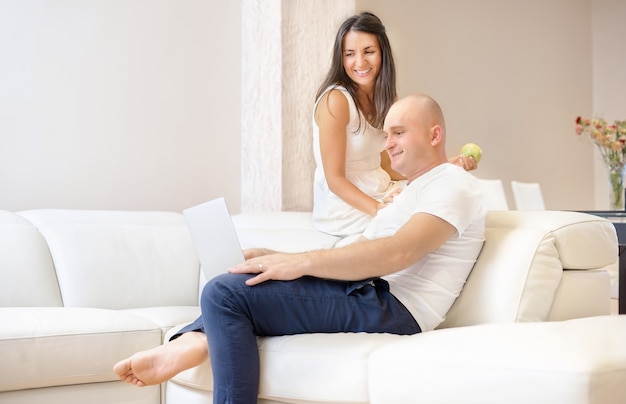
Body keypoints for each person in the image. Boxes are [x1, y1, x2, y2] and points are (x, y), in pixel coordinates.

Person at [114, 94, 486, 403]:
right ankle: (196, 340)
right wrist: (277, 256)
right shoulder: (411, 191)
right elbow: (365, 250)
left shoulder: (453, 184)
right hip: (366, 289)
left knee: (224, 295)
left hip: (392, 305)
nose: (388, 144)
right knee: (241, 281)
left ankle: (196, 340)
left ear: (435, 135)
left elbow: (397, 253)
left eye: (399, 133)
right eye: (387, 134)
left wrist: (300, 262)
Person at [312, 12, 477, 237]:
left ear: (383, 53)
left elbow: (388, 165)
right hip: (344, 208)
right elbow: (335, 180)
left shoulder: (387, 99)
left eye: (369, 52)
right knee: (419, 220)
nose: (360, 62)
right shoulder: (336, 101)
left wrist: (444, 165)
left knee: (444, 198)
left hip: (380, 191)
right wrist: (381, 210)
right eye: (350, 54)